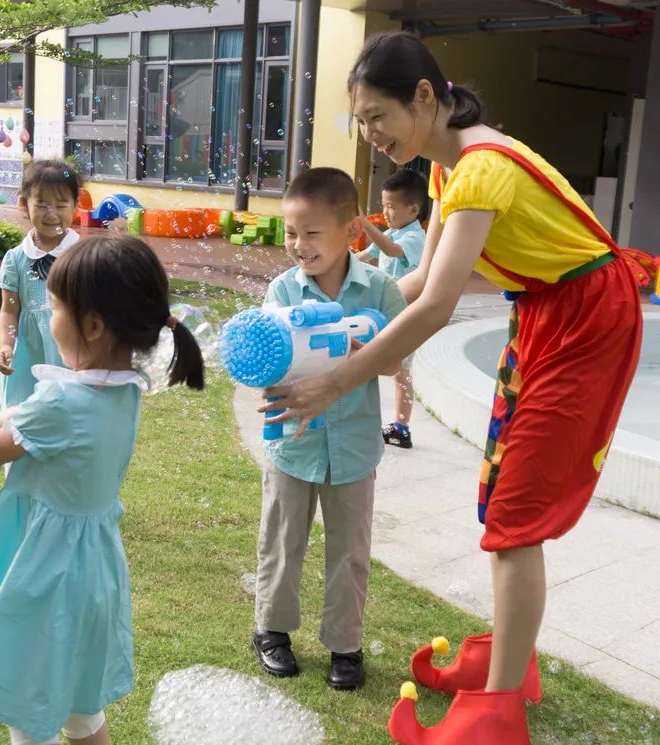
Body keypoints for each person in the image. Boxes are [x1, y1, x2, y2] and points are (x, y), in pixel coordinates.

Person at [262, 31, 643, 743]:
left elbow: (437, 308)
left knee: (516, 514)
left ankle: (497, 712)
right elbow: (414, 288)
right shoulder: (447, 170)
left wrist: (340, 380)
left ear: (426, 97)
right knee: (503, 495)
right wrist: (331, 332)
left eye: (378, 116)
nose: (370, 135)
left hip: (589, 320)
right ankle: (511, 664)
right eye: (361, 122)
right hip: (547, 311)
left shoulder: (479, 169)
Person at [0, 236, 205, 745]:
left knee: (29, 697)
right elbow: (18, 414)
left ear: (91, 325)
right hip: (92, 567)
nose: (47, 316)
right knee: (80, 708)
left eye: (54, 307)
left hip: (46, 572)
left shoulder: (66, 402)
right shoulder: (123, 387)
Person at [251, 168, 405, 691]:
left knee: (350, 549)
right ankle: (271, 629)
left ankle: (345, 643)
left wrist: (351, 345)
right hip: (293, 443)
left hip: (354, 447)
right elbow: (267, 358)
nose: (298, 245)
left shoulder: (381, 290)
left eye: (312, 233)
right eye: (291, 233)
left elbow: (394, 362)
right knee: (282, 538)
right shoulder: (282, 290)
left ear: (352, 231)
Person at [0, 159, 81, 410]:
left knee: (67, 416)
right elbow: (9, 310)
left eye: (61, 204)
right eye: (42, 204)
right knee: (25, 419)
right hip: (29, 355)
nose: (51, 213)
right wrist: (6, 344)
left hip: (71, 350)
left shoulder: (83, 255)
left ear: (76, 205)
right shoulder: (16, 259)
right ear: (23, 204)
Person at [356, 169, 428, 448]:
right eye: (383, 206)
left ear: (413, 209)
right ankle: (389, 423)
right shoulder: (394, 231)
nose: (385, 213)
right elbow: (366, 255)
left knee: (401, 373)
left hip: (406, 317)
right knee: (377, 364)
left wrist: (364, 223)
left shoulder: (413, 238)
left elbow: (389, 250)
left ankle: (402, 427)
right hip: (386, 314)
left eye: (390, 207)